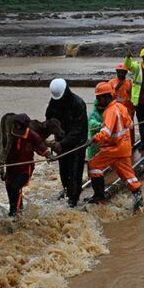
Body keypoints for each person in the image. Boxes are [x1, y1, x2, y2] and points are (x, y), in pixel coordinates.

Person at [86, 82, 144, 210]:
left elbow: (106, 133)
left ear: (107, 97)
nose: (98, 100)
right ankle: (138, 196)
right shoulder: (121, 107)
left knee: (93, 165)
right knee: (127, 174)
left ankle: (99, 197)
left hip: (113, 147)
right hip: (124, 146)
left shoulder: (110, 111)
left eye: (99, 97)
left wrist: (94, 139)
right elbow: (129, 123)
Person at [45, 79, 88, 208]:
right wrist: (50, 140)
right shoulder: (54, 103)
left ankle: (73, 201)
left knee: (74, 173)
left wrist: (62, 143)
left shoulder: (78, 103)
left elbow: (78, 129)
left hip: (77, 143)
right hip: (61, 142)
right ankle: (67, 192)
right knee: (64, 172)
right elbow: (49, 121)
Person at [3, 113, 52, 217]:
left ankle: (14, 213)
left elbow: (41, 146)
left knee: (16, 187)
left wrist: (48, 154)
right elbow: (2, 149)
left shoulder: (32, 135)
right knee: (9, 188)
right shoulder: (9, 134)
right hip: (11, 169)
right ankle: (17, 209)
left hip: (24, 169)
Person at [109, 64, 134, 142]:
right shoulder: (111, 83)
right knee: (117, 128)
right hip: (116, 110)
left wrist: (132, 110)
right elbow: (109, 97)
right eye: (119, 72)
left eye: (122, 72)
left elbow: (132, 97)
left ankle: (131, 143)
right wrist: (116, 89)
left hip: (127, 110)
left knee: (129, 127)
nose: (120, 74)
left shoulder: (129, 83)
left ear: (126, 73)